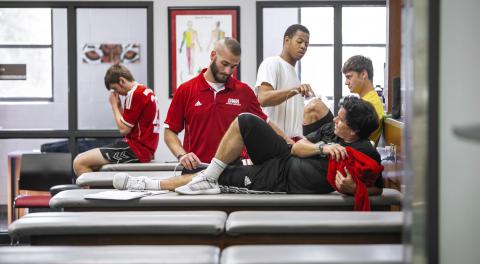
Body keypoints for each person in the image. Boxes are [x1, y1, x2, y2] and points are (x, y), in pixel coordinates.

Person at [114, 96, 383, 198]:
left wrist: (354, 188)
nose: (334, 119)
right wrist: (322, 148)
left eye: (341, 118)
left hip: (279, 180)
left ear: (355, 129)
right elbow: (297, 148)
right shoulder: (329, 131)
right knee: (245, 120)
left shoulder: (365, 150)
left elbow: (378, 189)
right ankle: (207, 178)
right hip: (283, 157)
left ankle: (144, 185)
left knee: (221, 177)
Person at [164, 37, 289, 172]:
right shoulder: (186, 90)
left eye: (234, 66)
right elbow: (170, 131)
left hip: (232, 172)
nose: (228, 71)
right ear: (213, 56)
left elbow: (266, 123)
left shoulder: (244, 92)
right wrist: (182, 155)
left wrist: (293, 146)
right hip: (196, 170)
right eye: (224, 64)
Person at [73, 64, 159, 176]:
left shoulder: (134, 94)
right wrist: (119, 107)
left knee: (79, 162)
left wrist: (113, 105)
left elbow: (124, 129)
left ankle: (93, 193)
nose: (116, 93)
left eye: (114, 88)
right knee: (92, 163)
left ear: (122, 81)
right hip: (143, 148)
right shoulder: (145, 91)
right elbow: (130, 124)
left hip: (136, 149)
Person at [255, 24, 315, 141]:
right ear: (287, 41)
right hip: (273, 141)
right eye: (299, 41)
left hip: (292, 140)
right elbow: (263, 99)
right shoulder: (272, 63)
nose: (303, 46)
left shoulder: (294, 74)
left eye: (306, 44)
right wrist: (296, 90)